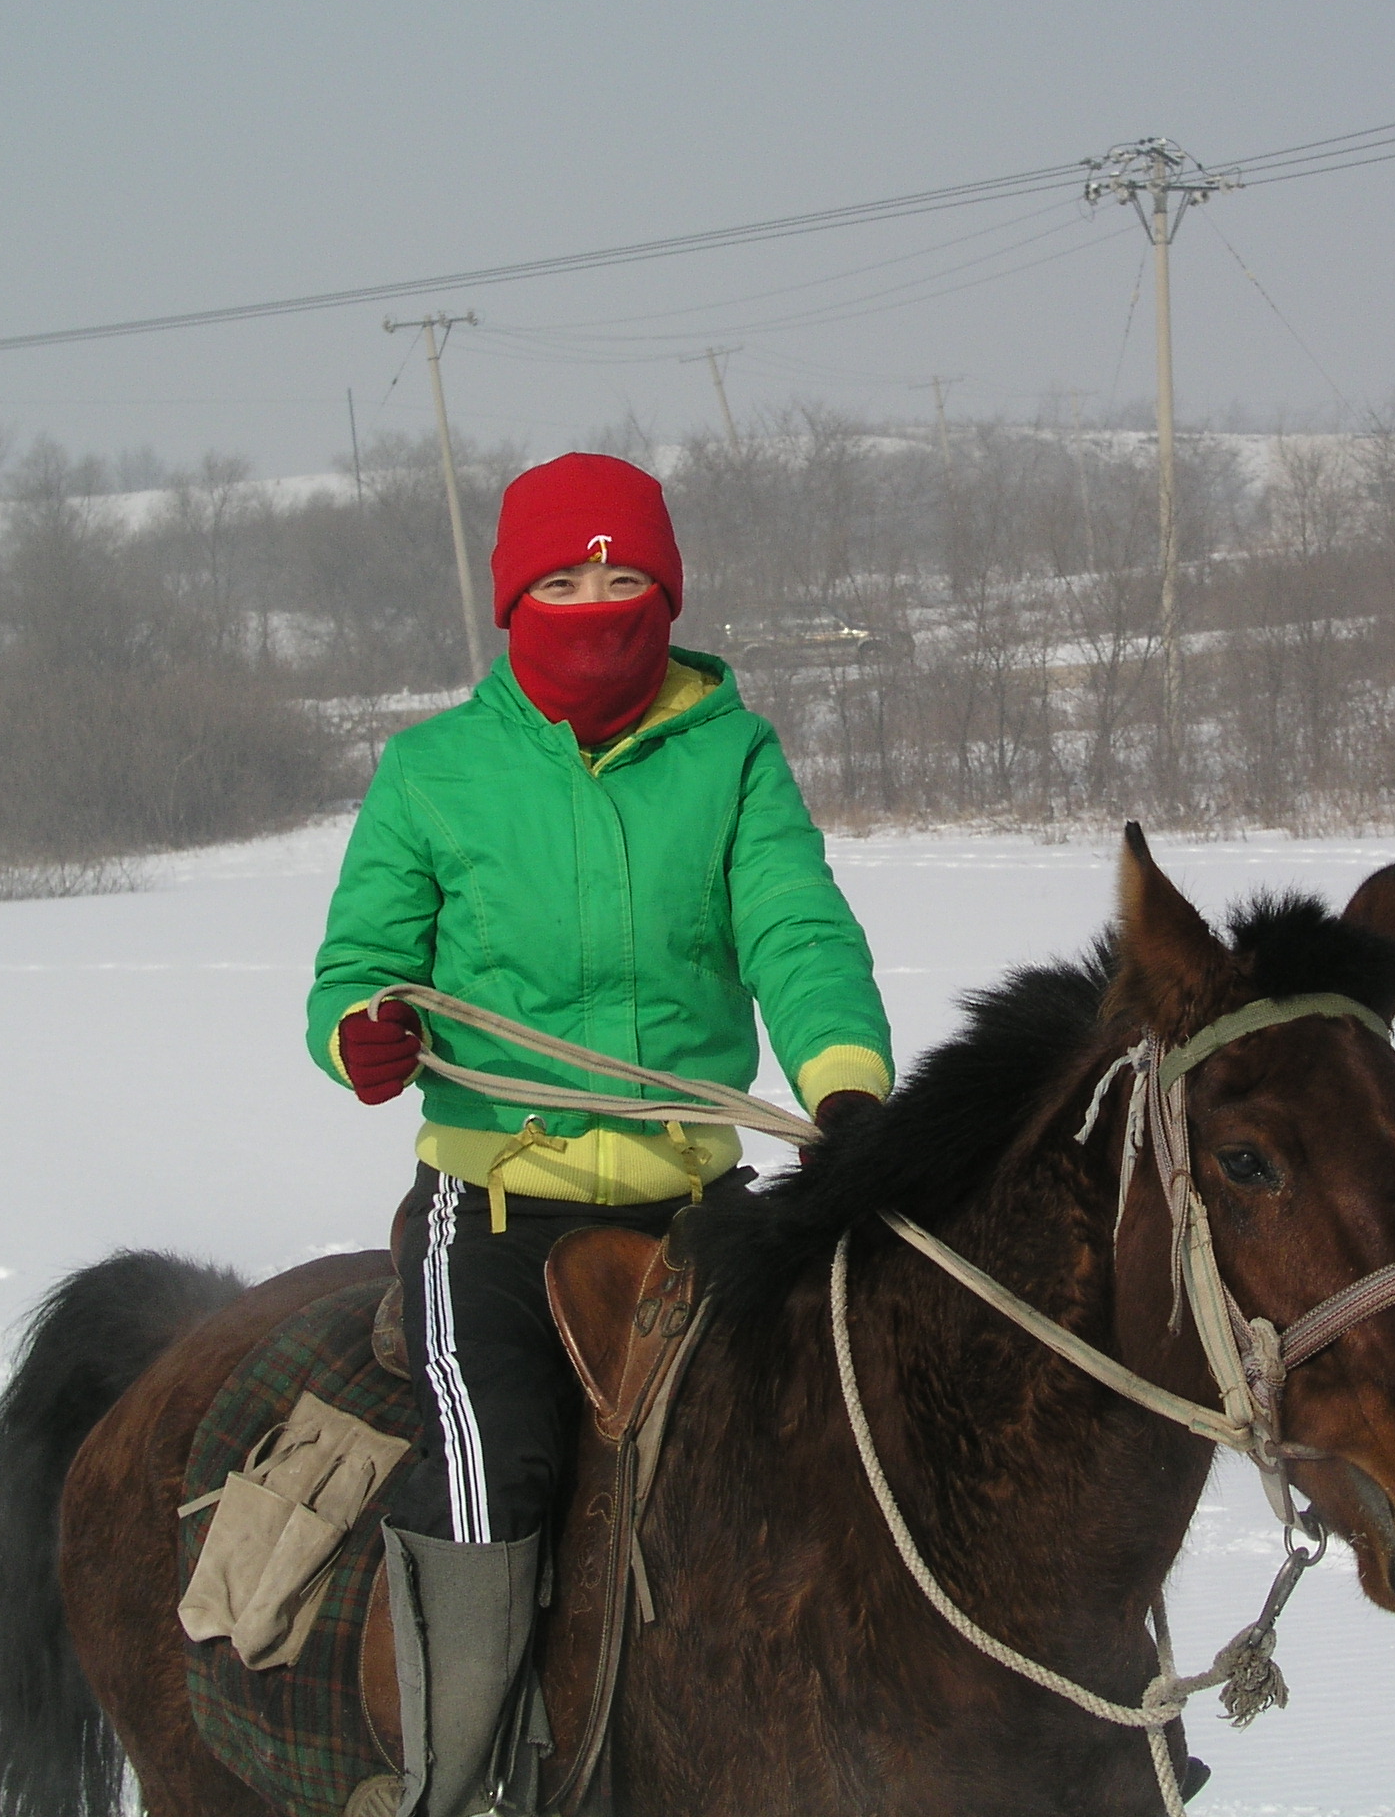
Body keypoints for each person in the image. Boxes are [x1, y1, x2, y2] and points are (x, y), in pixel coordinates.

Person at [306, 451, 892, 1817]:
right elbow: (356, 963)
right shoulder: (432, 770)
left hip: (696, 1208)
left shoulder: (732, 753)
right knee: (496, 1463)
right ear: (515, 599)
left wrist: (848, 1086)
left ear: (669, 591)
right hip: (495, 1213)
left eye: (625, 577)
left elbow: (796, 930)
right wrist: (365, 1031)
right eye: (563, 582)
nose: (597, 603)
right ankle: (451, 1792)